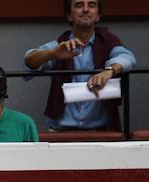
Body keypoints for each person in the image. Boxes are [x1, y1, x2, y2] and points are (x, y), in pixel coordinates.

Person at [23, 0, 136, 131]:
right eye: (79, 5)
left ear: (98, 16)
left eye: (92, 5)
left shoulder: (107, 41)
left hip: (101, 132)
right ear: (69, 16)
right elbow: (28, 60)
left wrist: (109, 71)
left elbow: (128, 57)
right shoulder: (60, 45)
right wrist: (51, 53)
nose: (86, 9)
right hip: (61, 132)